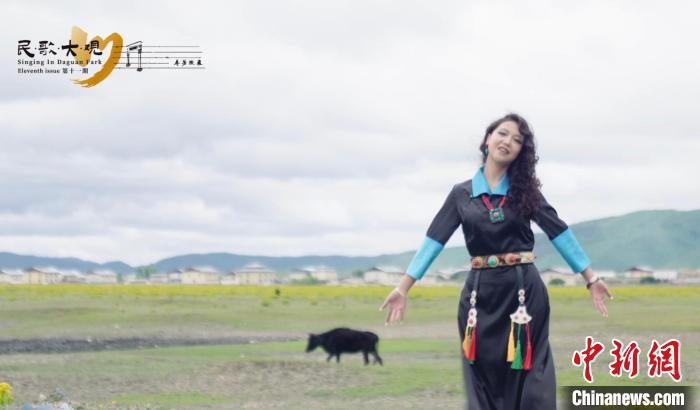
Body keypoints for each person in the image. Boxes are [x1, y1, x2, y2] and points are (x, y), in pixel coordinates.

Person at [379, 113, 613, 409]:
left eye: (517, 140)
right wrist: (402, 288)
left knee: (530, 378)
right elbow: (434, 241)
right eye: (502, 133)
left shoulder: (525, 192)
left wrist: (591, 278)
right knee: (483, 377)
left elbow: (558, 231)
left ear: (521, 152)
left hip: (524, 294)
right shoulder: (461, 194)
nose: (508, 142)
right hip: (479, 299)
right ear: (488, 139)